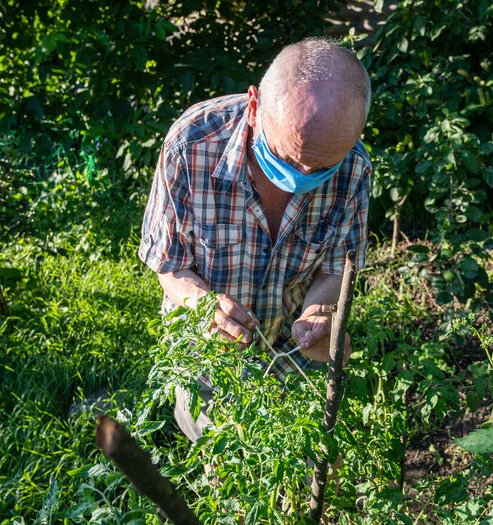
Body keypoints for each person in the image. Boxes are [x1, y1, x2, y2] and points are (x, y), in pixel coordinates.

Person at [139, 37, 371, 441]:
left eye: (321, 167)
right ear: (253, 108)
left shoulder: (353, 168)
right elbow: (169, 261)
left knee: (309, 463)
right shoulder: (191, 146)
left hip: (296, 350)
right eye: (286, 157)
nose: (301, 176)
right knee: (228, 465)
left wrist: (317, 314)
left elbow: (338, 267)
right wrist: (205, 307)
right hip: (209, 350)